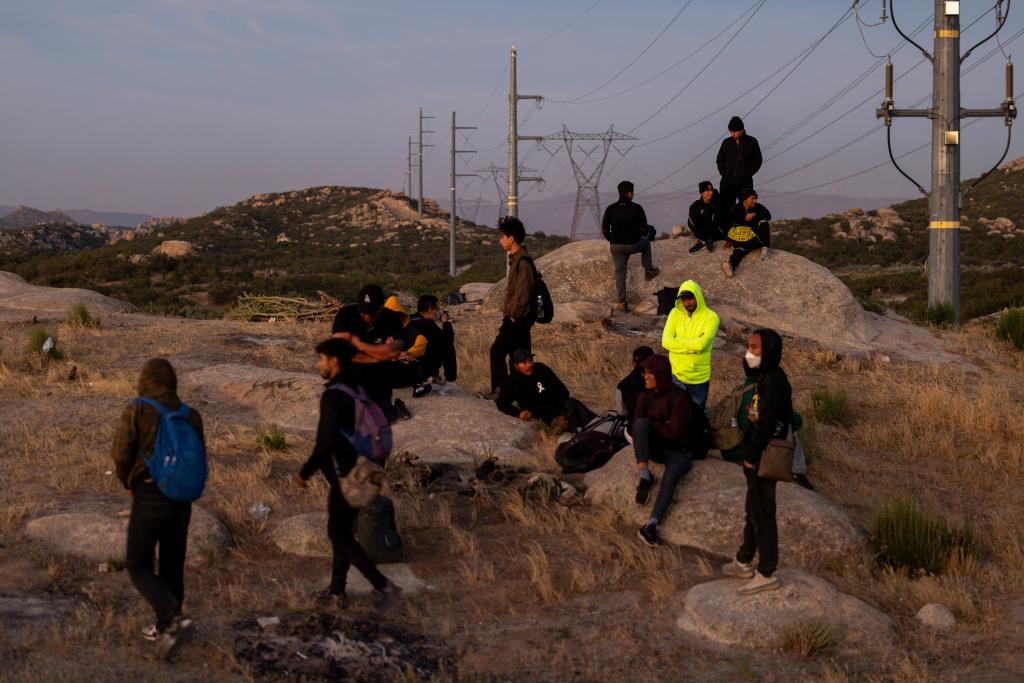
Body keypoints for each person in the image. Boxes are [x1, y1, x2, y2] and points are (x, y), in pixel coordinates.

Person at [296, 338, 401, 608]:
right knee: (341, 530)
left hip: (350, 475)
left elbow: (325, 441)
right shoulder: (356, 386)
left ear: (334, 361)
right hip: (369, 470)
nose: (318, 364)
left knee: (338, 534)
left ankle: (382, 584)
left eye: (321, 358)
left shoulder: (334, 395)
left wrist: (305, 472)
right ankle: (337, 591)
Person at [110, 358, 203, 658]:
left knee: (137, 564)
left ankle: (172, 617)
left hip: (150, 494)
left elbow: (121, 452)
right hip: (182, 500)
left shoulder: (138, 409)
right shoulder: (192, 416)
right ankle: (169, 627)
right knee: (172, 565)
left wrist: (127, 480)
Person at [721, 329, 792, 595]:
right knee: (753, 510)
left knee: (763, 514)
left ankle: (767, 572)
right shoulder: (766, 377)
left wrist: (750, 458)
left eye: (755, 348)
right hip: (757, 453)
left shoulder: (774, 381)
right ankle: (744, 560)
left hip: (763, 456)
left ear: (770, 350)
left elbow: (766, 425)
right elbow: (759, 408)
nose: (749, 351)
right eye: (748, 346)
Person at [718, 355, 814, 490]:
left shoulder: (739, 390)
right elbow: (797, 420)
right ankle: (798, 473)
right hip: (748, 457)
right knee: (789, 426)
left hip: (730, 453)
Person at [632, 354, 699, 546]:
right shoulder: (644, 395)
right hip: (659, 447)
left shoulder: (679, 398)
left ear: (660, 375)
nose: (645, 377)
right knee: (640, 427)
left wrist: (654, 425)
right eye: (644, 373)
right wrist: (659, 424)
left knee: (671, 476)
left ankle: (652, 524)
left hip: (679, 450)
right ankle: (645, 476)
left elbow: (675, 433)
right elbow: (637, 423)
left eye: (649, 374)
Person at [331, 284, 409, 422]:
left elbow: (395, 352)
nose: (366, 317)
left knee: (381, 419)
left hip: (378, 381)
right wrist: (380, 354)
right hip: (350, 378)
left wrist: (359, 345)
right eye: (362, 312)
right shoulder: (345, 314)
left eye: (371, 313)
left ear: (381, 307)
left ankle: (394, 408)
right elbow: (339, 351)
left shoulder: (391, 318)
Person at [488, 216, 535, 396]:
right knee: (520, 358)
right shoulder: (518, 260)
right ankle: (523, 393)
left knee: (497, 351)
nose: (500, 241)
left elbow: (523, 293)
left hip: (517, 319)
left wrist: (513, 316)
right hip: (520, 319)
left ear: (511, 238)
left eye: (502, 237)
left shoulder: (522, 262)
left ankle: (501, 392)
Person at [496, 348, 595, 433]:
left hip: (559, 408)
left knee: (573, 404)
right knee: (567, 421)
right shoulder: (512, 381)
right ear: (516, 366)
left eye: (530, 360)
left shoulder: (541, 369)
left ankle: (598, 424)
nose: (529, 365)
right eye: (524, 363)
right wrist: (518, 413)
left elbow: (564, 392)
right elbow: (501, 403)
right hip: (546, 419)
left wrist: (552, 407)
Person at [601, 180, 660, 312]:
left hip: (616, 246)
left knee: (620, 273)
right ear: (629, 193)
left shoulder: (610, 208)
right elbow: (644, 229)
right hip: (633, 244)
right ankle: (649, 270)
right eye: (632, 192)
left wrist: (613, 240)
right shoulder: (637, 208)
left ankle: (622, 302)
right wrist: (637, 236)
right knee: (646, 243)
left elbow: (604, 230)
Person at [661, 279, 719, 411]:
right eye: (684, 299)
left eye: (690, 298)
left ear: (697, 296)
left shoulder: (712, 318)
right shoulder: (674, 313)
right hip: (676, 376)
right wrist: (691, 347)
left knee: (696, 416)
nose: (687, 302)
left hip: (698, 379)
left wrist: (677, 340)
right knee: (674, 414)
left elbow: (701, 345)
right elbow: (665, 341)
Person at [403, 294, 457, 389]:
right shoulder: (427, 324)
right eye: (437, 310)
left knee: (433, 345)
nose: (437, 313)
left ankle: (434, 375)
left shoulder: (410, 319)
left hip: (405, 367)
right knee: (448, 346)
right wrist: (446, 323)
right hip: (420, 370)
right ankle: (450, 380)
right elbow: (448, 339)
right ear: (430, 311)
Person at [722, 188, 771, 278]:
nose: (754, 201)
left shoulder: (757, 207)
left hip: (755, 237)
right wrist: (728, 239)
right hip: (741, 238)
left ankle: (765, 247)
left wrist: (754, 214)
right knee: (739, 250)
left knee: (764, 222)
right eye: (752, 198)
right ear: (744, 199)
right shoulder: (735, 209)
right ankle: (730, 266)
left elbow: (768, 215)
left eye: (755, 198)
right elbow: (727, 224)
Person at [716, 116, 762, 211]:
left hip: (745, 183)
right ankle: (727, 226)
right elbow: (719, 160)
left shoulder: (751, 142)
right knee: (726, 210)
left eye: (734, 131)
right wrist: (725, 174)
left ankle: (744, 226)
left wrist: (747, 174)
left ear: (741, 130)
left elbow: (758, 160)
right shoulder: (726, 143)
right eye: (731, 131)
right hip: (727, 183)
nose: (732, 134)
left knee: (746, 209)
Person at [614, 345, 655, 420]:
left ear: (633, 363)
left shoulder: (622, 386)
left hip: (633, 427)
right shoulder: (666, 381)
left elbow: (622, 414)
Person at [686, 181, 722, 254]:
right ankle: (704, 240)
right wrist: (705, 237)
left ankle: (707, 239)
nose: (711, 193)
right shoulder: (695, 206)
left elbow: (719, 217)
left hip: (716, 230)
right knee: (705, 215)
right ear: (701, 193)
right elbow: (691, 224)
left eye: (711, 190)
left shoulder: (716, 202)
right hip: (701, 232)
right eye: (707, 191)